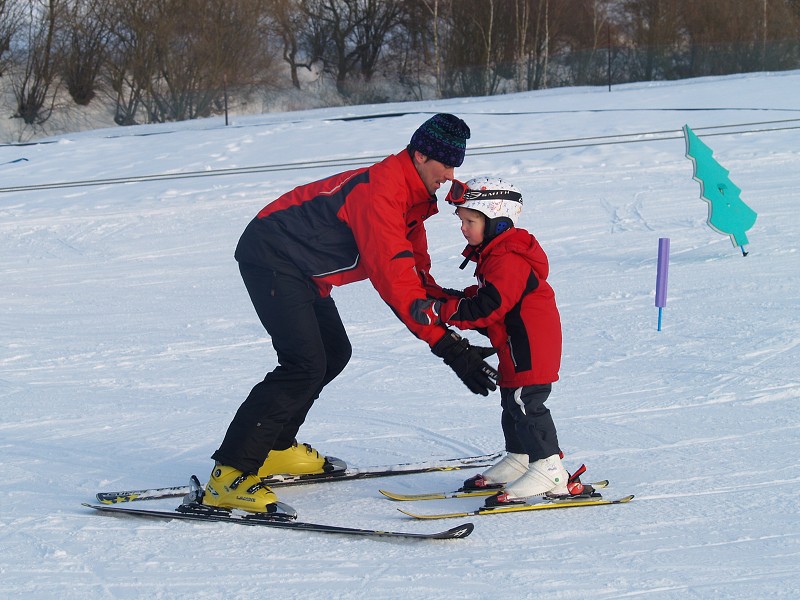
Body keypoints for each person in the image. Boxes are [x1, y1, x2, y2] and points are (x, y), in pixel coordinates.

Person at [202, 114, 498, 513]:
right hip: (272, 255)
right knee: (303, 364)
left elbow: (416, 278)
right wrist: (447, 347)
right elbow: (394, 283)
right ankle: (230, 473)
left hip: (302, 269)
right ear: (420, 155)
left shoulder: (412, 201)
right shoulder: (381, 194)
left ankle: (275, 448)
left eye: (455, 165)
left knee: (333, 353)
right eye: (445, 164)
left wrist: (465, 321)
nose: (450, 175)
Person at [431, 176, 569, 505]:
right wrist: (449, 296)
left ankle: (550, 469)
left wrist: (443, 310)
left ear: (498, 221)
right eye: (462, 221)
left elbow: (489, 307)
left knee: (527, 403)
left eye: (471, 221)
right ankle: (521, 458)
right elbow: (486, 294)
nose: (463, 228)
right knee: (511, 402)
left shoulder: (508, 258)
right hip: (514, 344)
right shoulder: (495, 255)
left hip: (529, 345)